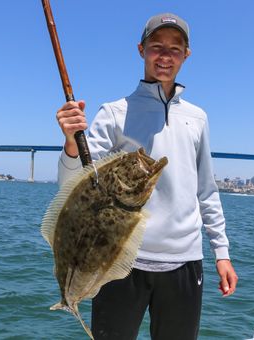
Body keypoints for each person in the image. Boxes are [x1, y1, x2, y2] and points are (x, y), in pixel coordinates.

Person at [56, 13, 238, 340]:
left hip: (185, 262)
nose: (165, 56)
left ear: (186, 55)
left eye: (175, 48)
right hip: (117, 261)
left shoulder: (197, 118)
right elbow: (77, 183)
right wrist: (71, 143)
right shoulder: (114, 113)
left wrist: (221, 253)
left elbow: (207, 190)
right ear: (141, 50)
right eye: (156, 47)